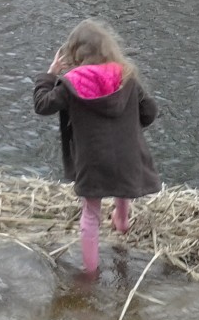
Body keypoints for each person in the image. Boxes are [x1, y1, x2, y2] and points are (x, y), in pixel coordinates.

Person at [32, 19, 161, 274]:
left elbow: (42, 105)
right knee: (122, 188)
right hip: (127, 155)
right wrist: (131, 126)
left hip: (92, 161)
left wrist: (50, 74)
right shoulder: (126, 77)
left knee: (91, 214)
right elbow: (150, 111)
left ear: (75, 54)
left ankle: (90, 272)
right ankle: (122, 222)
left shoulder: (70, 84)